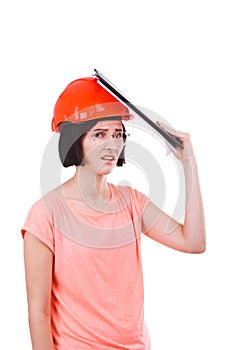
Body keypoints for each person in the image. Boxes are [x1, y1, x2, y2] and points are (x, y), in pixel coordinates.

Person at [21, 76, 206, 350]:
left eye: (118, 134)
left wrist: (189, 163)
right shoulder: (45, 214)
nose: (112, 144)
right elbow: (39, 314)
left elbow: (194, 242)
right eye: (99, 134)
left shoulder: (131, 203)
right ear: (75, 139)